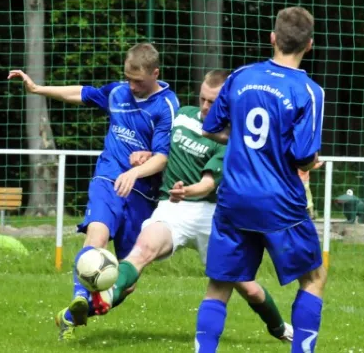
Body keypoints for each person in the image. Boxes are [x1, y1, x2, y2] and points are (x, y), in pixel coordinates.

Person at [104, 69, 293, 343]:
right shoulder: (182, 115)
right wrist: (149, 156)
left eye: (212, 102)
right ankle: (98, 299)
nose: (205, 107)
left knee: (249, 289)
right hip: (174, 208)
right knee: (142, 250)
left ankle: (278, 328)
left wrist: (187, 190)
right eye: (203, 99)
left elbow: (207, 184)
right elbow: (165, 151)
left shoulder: (233, 138)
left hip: (213, 216)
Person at [7, 43, 180, 341]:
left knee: (128, 283)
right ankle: (79, 295)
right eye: (128, 78)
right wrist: (37, 90)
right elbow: (82, 93)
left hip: (142, 193)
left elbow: (162, 157)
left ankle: (73, 315)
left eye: (138, 81)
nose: (132, 86)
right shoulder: (118, 93)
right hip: (109, 177)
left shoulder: (166, 106)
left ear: (155, 73)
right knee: (96, 236)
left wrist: (137, 169)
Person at [195, 7, 326, 353]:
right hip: (280, 201)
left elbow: (210, 127)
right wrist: (312, 161)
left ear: (273, 38)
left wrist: (237, 140)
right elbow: (302, 155)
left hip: (234, 198)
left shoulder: (240, 76)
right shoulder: (309, 91)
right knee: (314, 278)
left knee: (219, 285)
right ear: (309, 45)